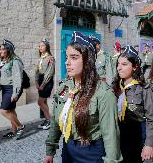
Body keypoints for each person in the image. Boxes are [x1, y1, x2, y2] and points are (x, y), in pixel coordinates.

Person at [44, 31, 122, 163]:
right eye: (67, 57)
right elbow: (56, 120)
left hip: (91, 152)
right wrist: (50, 150)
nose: (67, 62)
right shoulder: (64, 87)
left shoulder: (103, 93)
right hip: (68, 148)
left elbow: (111, 135)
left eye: (74, 57)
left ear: (87, 61)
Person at [113, 45, 153, 163]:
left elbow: (152, 119)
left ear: (134, 67)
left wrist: (149, 144)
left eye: (124, 64)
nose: (119, 68)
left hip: (135, 137)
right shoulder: (114, 87)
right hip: (115, 136)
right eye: (118, 64)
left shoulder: (144, 89)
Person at [0, 39, 25, 140]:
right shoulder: (4, 61)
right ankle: (14, 131)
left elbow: (17, 79)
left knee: (4, 111)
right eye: (0, 49)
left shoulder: (15, 61)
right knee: (11, 110)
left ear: (8, 50)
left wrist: (15, 94)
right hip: (5, 88)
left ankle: (20, 126)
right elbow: (2, 77)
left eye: (3, 49)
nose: (0, 51)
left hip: (12, 88)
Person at [35, 39, 55, 130]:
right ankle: (47, 120)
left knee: (40, 101)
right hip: (40, 80)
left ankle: (49, 120)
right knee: (44, 101)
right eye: (39, 46)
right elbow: (37, 71)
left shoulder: (50, 58)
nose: (40, 47)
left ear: (46, 47)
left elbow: (49, 73)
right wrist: (36, 82)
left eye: (42, 46)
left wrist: (43, 84)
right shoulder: (40, 58)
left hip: (47, 82)